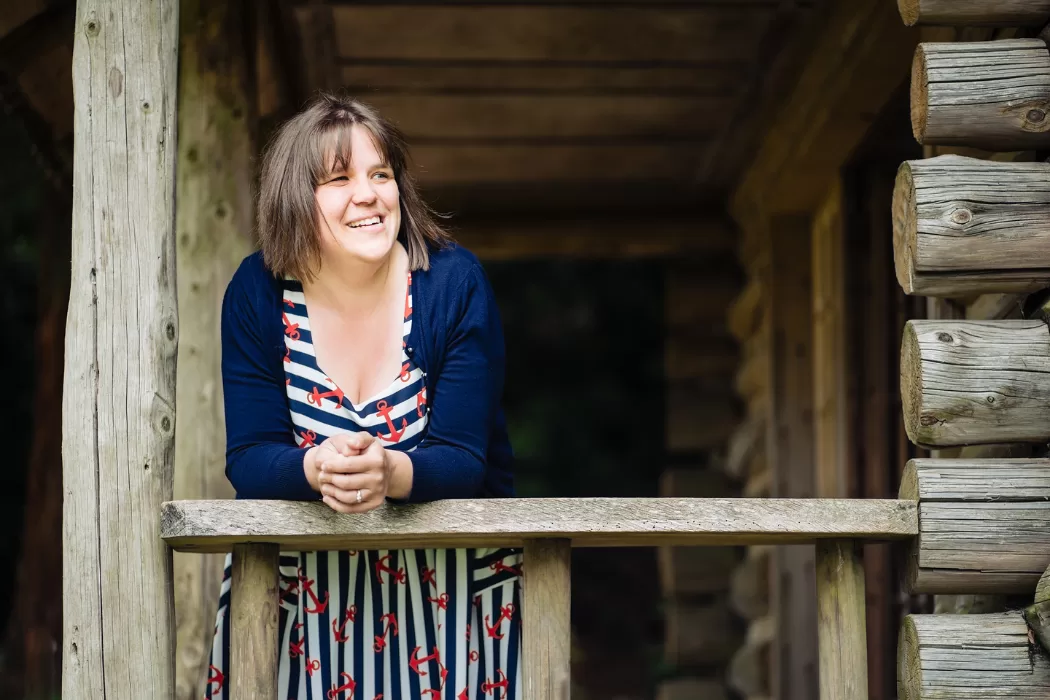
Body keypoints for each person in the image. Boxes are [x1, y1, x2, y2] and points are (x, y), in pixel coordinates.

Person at [205, 93, 520, 700]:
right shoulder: (256, 292)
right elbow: (248, 457)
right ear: (296, 199)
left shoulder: (453, 284)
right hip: (298, 604)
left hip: (451, 603)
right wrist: (313, 467)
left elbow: (463, 457)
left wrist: (390, 472)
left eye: (381, 174)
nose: (369, 194)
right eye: (340, 178)